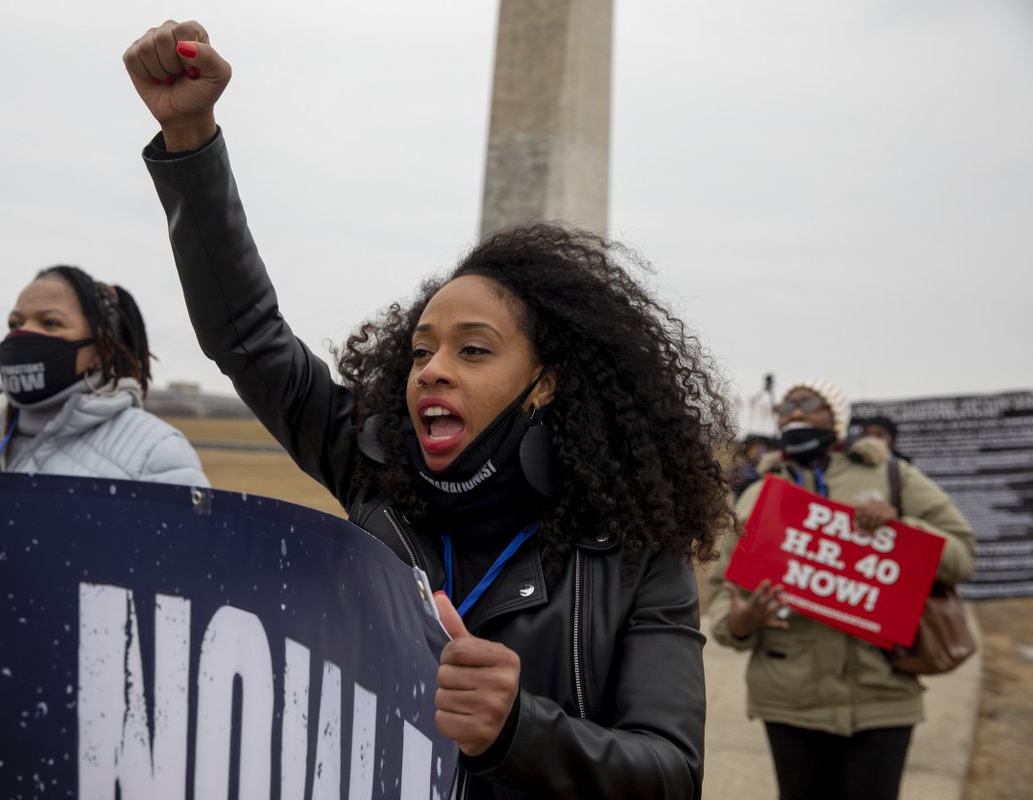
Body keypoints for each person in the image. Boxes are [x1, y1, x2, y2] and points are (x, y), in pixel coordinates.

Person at [124, 20, 735, 798]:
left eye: (473, 351)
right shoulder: (368, 465)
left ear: (546, 381)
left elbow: (672, 774)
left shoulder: (636, 553)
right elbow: (247, 336)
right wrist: (190, 135)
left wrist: (520, 729)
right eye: (420, 351)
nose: (433, 371)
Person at [706, 378, 975, 800]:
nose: (794, 412)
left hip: (880, 697)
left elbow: (963, 557)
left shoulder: (892, 476)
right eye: (787, 407)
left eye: (809, 403)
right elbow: (723, 589)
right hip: (788, 698)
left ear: (836, 418)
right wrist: (738, 623)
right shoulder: (759, 495)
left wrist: (901, 529)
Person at [0, 265, 208, 486]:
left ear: (101, 348)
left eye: (50, 323)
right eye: (15, 323)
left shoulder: (155, 452)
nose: (23, 333)